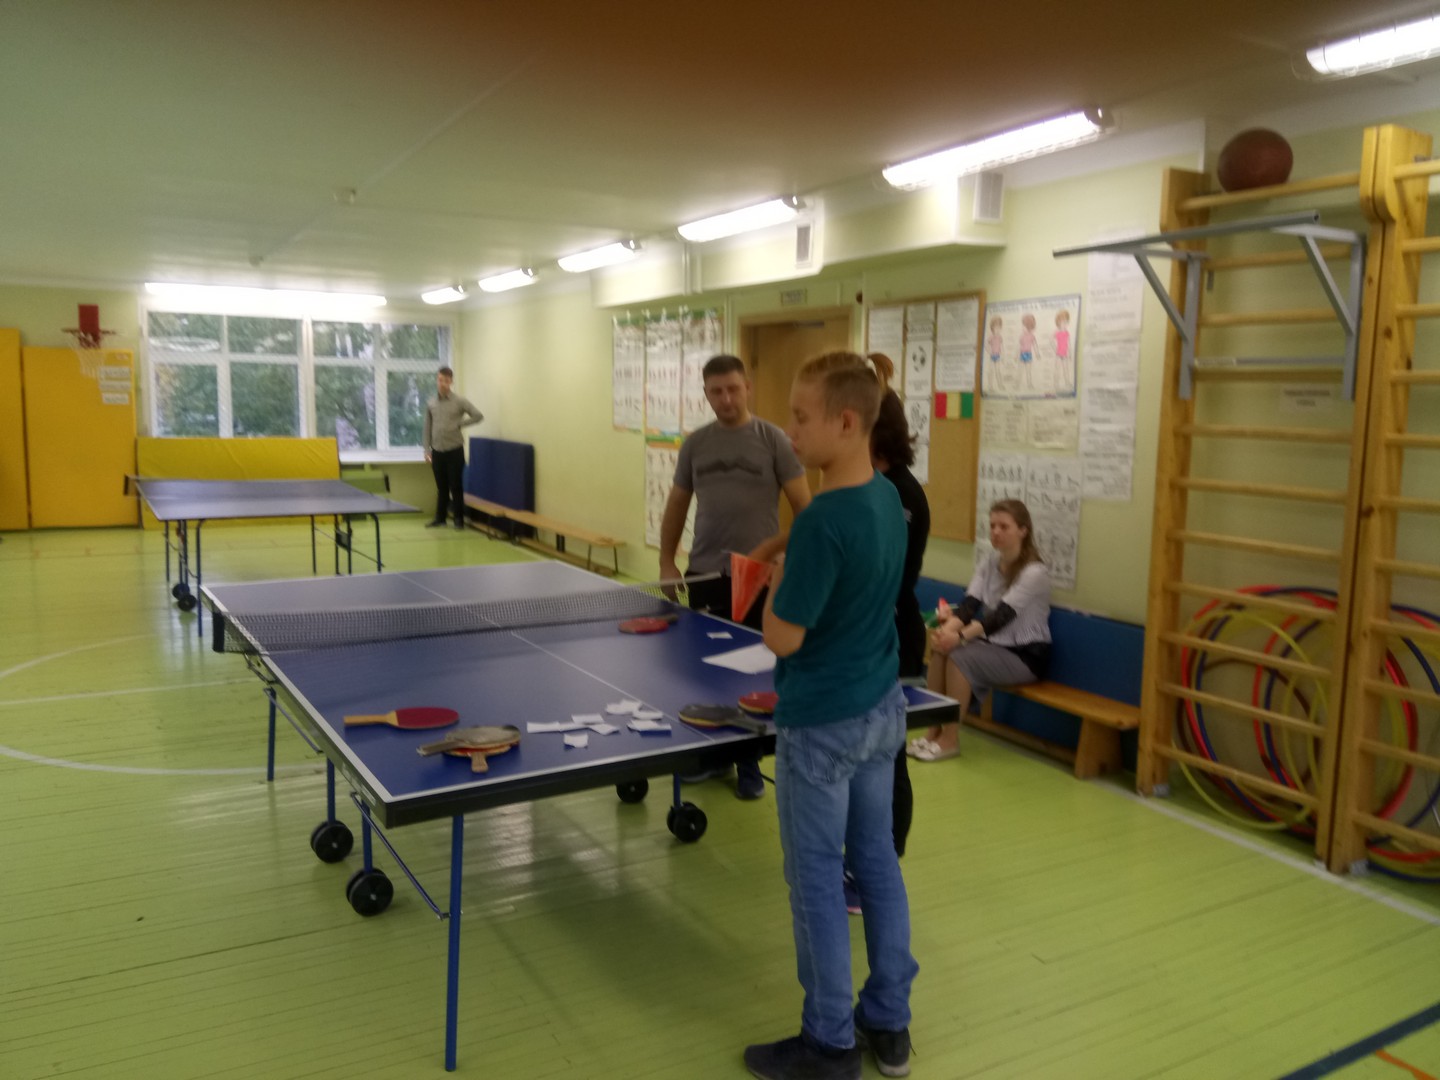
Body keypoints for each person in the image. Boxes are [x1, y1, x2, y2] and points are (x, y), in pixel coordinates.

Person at [744, 351, 916, 1080]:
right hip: (881, 711)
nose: (790, 429)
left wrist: (777, 584)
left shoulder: (820, 523)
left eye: (801, 417)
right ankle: (889, 1021)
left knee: (816, 877)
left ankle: (829, 1042)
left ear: (847, 423)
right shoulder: (890, 500)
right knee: (875, 861)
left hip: (821, 724)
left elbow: (783, 638)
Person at [659, 354, 810, 800]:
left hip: (760, 577)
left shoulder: (774, 439)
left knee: (751, 673)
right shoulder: (695, 444)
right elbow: (677, 504)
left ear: (748, 388)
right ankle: (712, 754)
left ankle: (748, 762)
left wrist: (792, 559)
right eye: (716, 391)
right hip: (705, 571)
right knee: (704, 669)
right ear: (706, 394)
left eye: (733, 389)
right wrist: (667, 561)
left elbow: (805, 507)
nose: (726, 398)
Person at [908, 499, 1051, 762]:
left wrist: (958, 637)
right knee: (941, 650)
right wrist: (945, 634)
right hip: (992, 646)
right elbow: (968, 607)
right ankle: (932, 731)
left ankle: (950, 740)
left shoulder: (1035, 572)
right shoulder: (990, 562)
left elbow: (1000, 618)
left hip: (1025, 656)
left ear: (1023, 530)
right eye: (992, 525)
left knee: (960, 657)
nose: (995, 532)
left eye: (1004, 527)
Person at [423, 366, 484, 529]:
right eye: (440, 380)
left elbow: (478, 415)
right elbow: (427, 428)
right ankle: (440, 518)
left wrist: (460, 424)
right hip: (437, 450)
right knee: (441, 487)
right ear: (437, 380)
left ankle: (458, 520)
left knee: (456, 486)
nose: (442, 383)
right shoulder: (431, 403)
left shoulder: (460, 401)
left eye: (446, 380)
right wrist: (426, 450)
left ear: (451, 382)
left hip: (455, 450)